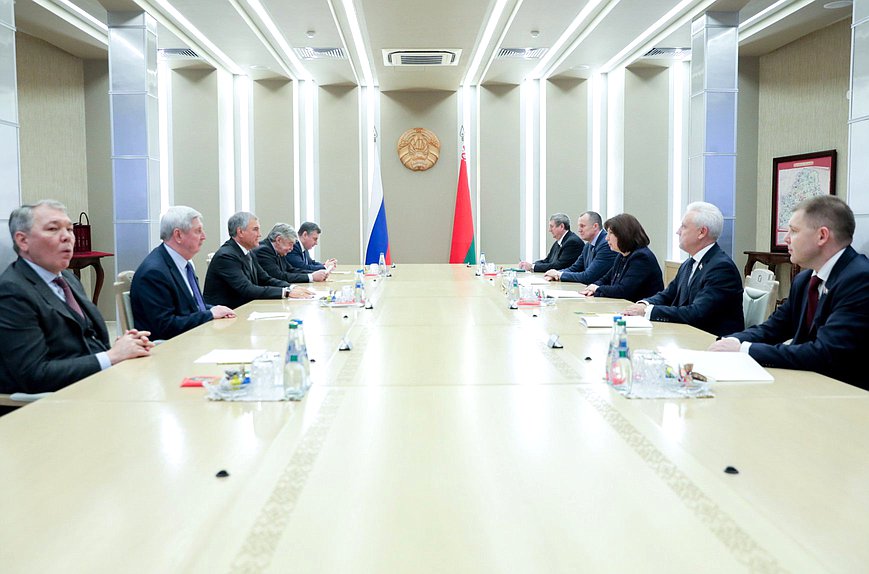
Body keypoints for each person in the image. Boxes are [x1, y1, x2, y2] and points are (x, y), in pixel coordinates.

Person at [709, 196, 869, 389]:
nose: (786, 239)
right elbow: (773, 328)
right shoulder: (804, 280)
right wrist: (732, 341)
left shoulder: (859, 279)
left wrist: (744, 349)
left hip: (848, 396)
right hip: (808, 386)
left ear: (822, 236)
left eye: (793, 231)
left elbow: (826, 353)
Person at [0, 200, 153, 394]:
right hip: (53, 405)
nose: (67, 237)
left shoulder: (68, 279)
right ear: (23, 240)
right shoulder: (13, 291)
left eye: (70, 229)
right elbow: (34, 374)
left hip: (95, 386)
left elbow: (83, 339)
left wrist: (126, 346)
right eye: (53, 229)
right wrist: (111, 356)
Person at [622, 202, 744, 337]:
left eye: (684, 227)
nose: (678, 231)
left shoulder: (721, 268)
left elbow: (697, 313)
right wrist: (644, 304)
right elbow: (668, 295)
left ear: (702, 232)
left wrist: (648, 311)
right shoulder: (689, 263)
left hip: (711, 341)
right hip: (688, 334)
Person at [130, 206, 236, 341]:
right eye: (198, 231)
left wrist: (215, 309)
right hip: (168, 349)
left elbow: (190, 306)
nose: (204, 236)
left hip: (191, 339)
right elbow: (165, 326)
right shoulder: (154, 273)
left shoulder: (185, 264)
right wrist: (209, 314)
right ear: (178, 235)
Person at [204, 212, 313, 309]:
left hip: (244, 309)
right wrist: (286, 292)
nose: (260, 234)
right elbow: (247, 289)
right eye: (255, 229)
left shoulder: (248, 252)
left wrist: (292, 287)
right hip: (226, 316)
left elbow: (265, 279)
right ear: (240, 232)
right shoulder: (227, 256)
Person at [580, 213, 663, 301]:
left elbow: (623, 291)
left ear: (623, 235)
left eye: (611, 233)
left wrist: (597, 289)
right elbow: (606, 279)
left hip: (640, 310)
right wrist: (591, 288)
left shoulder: (641, 257)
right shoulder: (622, 255)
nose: (606, 238)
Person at [544, 211, 616, 284]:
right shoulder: (588, 245)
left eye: (582, 226)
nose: (579, 230)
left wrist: (559, 274)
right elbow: (575, 268)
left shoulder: (606, 245)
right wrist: (556, 274)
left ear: (595, 226)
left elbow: (588, 276)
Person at [254, 223, 330, 284]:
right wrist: (311, 277)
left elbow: (291, 270)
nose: (291, 248)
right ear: (278, 240)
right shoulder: (263, 251)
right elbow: (279, 276)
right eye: (290, 244)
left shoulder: (279, 250)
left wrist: (316, 274)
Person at [518, 213, 583, 272]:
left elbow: (559, 266)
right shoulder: (559, 242)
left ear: (561, 226)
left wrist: (532, 267)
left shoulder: (572, 242)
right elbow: (547, 260)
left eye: (552, 226)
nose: (549, 230)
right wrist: (530, 265)